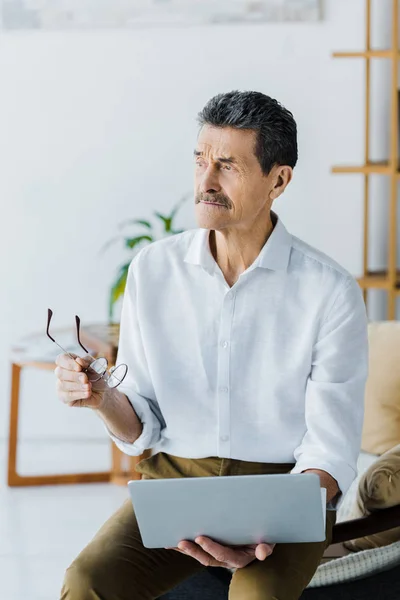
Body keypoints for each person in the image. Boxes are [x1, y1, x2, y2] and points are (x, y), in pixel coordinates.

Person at [56, 90, 368, 600]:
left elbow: (330, 450)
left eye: (228, 166)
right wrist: (102, 399)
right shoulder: (152, 271)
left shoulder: (329, 291)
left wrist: (266, 521)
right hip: (175, 489)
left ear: (279, 180)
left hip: (283, 494)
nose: (205, 182)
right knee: (87, 581)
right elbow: (143, 424)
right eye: (200, 161)